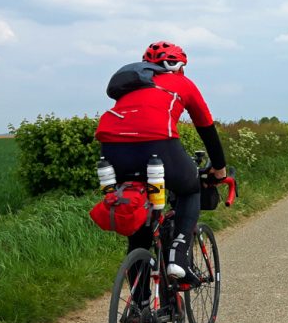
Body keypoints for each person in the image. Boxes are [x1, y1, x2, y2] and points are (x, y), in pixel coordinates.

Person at [95, 41, 226, 284]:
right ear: (178, 67)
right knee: (191, 187)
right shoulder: (182, 83)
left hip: (111, 149)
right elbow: (206, 127)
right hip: (157, 144)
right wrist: (219, 167)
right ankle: (178, 256)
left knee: (141, 220)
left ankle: (140, 307)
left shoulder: (131, 86)